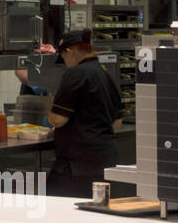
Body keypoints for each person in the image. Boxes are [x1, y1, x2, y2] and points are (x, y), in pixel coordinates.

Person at [46, 28, 124, 198]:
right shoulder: (107, 75)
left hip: (79, 166)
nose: (65, 62)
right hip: (106, 162)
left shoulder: (76, 73)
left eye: (64, 57)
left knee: (55, 209)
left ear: (69, 52)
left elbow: (57, 120)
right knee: (97, 214)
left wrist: (50, 110)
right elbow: (116, 123)